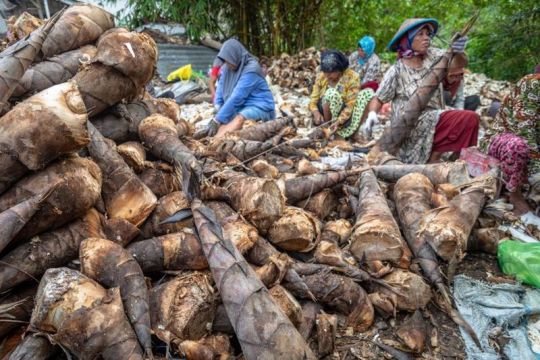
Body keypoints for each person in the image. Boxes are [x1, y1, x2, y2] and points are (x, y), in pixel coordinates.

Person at [362, 18, 479, 163]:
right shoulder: (397, 70)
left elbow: (459, 62)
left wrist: (458, 50)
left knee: (471, 120)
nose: (426, 38)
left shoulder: (434, 56)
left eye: (428, 34)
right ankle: (433, 160)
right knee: (468, 118)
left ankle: (453, 160)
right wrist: (372, 114)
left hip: (435, 116)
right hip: (409, 124)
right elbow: (379, 98)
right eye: (420, 34)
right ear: (408, 40)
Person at [480, 65, 540, 215]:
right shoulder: (533, 83)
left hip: (533, 141)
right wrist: (536, 173)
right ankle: (515, 195)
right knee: (518, 146)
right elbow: (525, 129)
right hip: (504, 139)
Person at [196, 39, 275, 138]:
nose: (228, 64)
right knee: (223, 121)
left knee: (239, 119)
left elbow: (237, 97)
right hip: (241, 106)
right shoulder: (227, 68)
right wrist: (217, 107)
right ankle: (211, 139)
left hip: (260, 107)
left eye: (229, 61)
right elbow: (220, 88)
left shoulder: (252, 69)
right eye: (226, 61)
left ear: (236, 56)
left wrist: (216, 120)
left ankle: (213, 143)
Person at [309, 50, 374, 139]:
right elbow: (313, 99)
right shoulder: (321, 76)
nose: (327, 75)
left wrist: (339, 121)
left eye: (331, 72)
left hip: (344, 115)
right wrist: (316, 113)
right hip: (324, 113)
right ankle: (326, 129)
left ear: (339, 70)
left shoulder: (352, 77)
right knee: (331, 93)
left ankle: (353, 133)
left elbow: (350, 104)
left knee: (368, 93)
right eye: (325, 72)